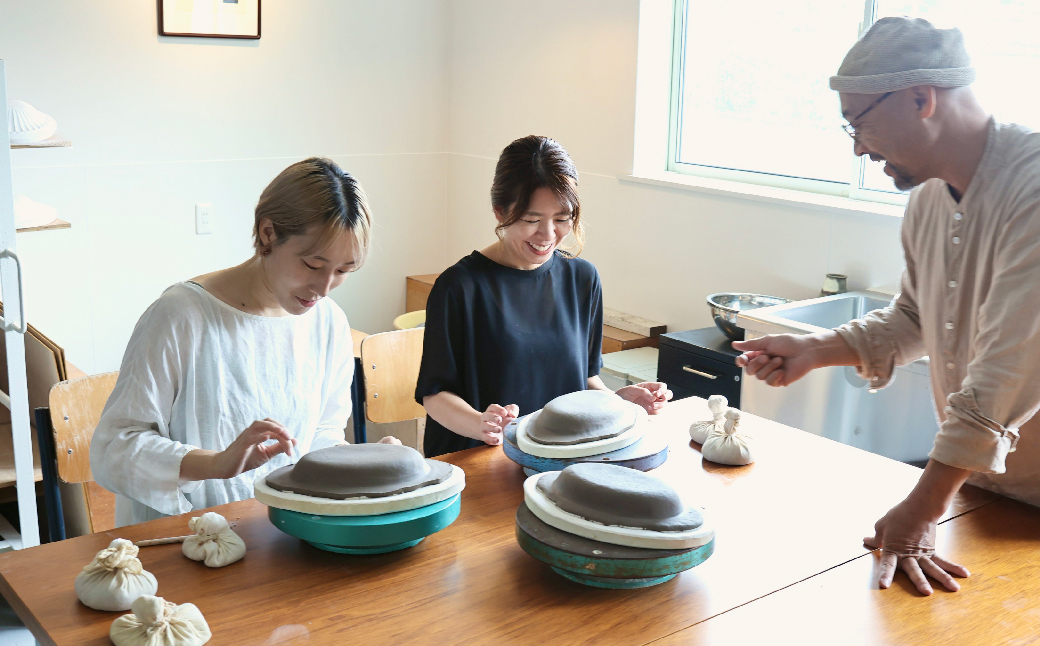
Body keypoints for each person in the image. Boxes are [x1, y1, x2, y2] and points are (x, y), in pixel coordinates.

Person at [734, 17, 1040, 596]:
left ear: (921, 98)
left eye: (860, 123)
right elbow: (917, 318)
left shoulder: (1033, 189)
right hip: (984, 491)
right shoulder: (929, 198)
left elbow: (1011, 370)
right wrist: (815, 349)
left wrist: (922, 508)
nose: (857, 147)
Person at [91, 157, 398, 527]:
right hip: (184, 537)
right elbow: (114, 448)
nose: (324, 287)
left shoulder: (328, 321)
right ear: (268, 233)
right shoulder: (182, 316)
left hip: (281, 532)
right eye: (313, 265)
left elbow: (320, 436)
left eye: (344, 271)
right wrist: (216, 463)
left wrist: (365, 464)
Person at [415, 135, 671, 457]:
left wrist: (617, 402)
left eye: (562, 219)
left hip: (558, 456)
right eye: (531, 220)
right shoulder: (460, 287)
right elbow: (435, 394)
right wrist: (480, 424)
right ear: (499, 211)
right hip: (481, 457)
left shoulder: (582, 279)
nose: (548, 234)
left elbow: (584, 378)